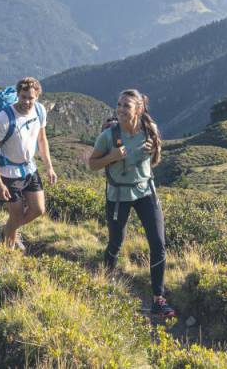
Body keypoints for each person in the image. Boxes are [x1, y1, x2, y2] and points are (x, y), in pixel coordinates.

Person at [87, 89, 175, 318]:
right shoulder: (108, 136)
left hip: (146, 192)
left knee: (158, 244)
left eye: (126, 106)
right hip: (118, 196)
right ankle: (104, 284)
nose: (121, 109)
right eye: (119, 105)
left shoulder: (149, 130)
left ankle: (158, 299)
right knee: (116, 242)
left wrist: (155, 149)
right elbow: (92, 164)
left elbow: (156, 159)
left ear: (138, 109)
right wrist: (112, 157)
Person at [0, 77, 57, 251]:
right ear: (18, 95)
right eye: (23, 97)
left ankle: (9, 229)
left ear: (37, 96)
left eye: (31, 98)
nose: (26, 101)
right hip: (8, 172)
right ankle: (8, 249)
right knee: (16, 215)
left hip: (29, 168)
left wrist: (49, 167)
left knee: (38, 209)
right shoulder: (3, 119)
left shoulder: (39, 111)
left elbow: (42, 139)